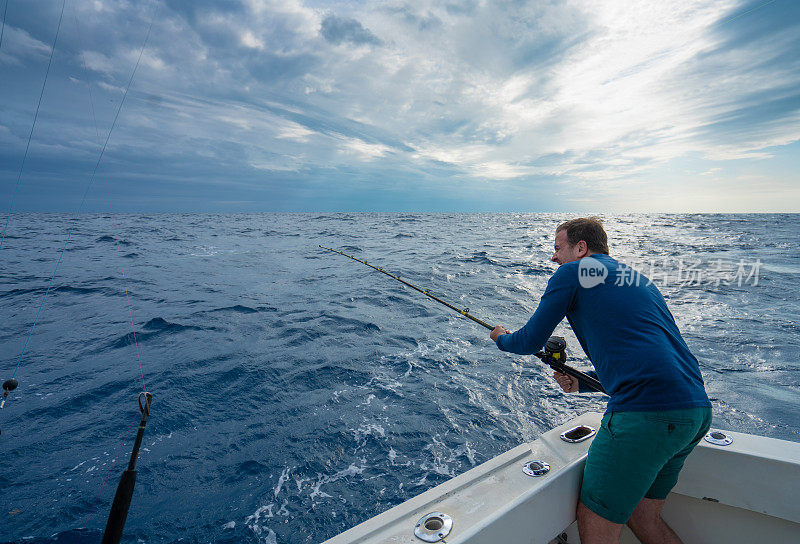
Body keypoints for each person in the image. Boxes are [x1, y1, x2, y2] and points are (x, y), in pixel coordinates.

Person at [489, 217, 711, 544]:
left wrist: (500, 337)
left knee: (596, 523)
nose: (553, 258)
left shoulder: (572, 272)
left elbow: (528, 343)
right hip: (695, 411)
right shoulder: (638, 280)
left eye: (558, 248)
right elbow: (651, 362)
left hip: (645, 416)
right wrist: (583, 382)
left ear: (581, 248)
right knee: (643, 517)